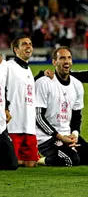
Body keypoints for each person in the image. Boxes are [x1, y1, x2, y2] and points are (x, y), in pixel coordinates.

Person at [35, 47, 88, 166]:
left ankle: (68, 151)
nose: (66, 61)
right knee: (71, 160)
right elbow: (38, 117)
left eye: (69, 58)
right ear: (54, 62)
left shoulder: (77, 85)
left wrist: (74, 135)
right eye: (62, 58)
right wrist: (59, 136)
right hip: (46, 137)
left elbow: (77, 116)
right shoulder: (44, 83)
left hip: (67, 135)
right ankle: (39, 160)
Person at [6, 36, 38, 167]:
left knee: (31, 163)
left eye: (30, 43)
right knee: (14, 162)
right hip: (13, 125)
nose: (29, 46)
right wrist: (5, 108)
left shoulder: (28, 69)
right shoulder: (7, 66)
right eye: (24, 44)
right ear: (16, 49)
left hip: (29, 126)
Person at [0, 54, 18, 170]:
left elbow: (22, 79)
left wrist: (6, 107)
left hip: (1, 125)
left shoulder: (3, 66)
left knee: (11, 164)